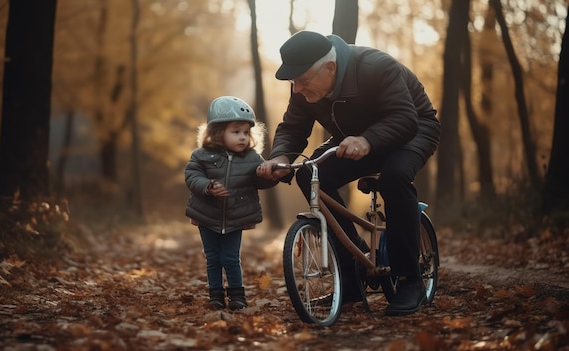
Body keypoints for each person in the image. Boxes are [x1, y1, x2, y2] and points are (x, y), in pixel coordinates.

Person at [257, 31, 441, 316]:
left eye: (303, 81)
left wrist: (367, 140)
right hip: (353, 138)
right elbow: (293, 128)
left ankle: (410, 281)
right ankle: (352, 271)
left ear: (329, 68)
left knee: (394, 177)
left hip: (412, 131)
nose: (297, 89)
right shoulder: (306, 87)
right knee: (310, 174)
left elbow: (405, 118)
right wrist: (280, 156)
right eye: (294, 82)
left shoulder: (376, 67)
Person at [185, 96, 277, 311]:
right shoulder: (201, 156)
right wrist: (208, 186)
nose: (243, 137)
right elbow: (191, 176)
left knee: (231, 257)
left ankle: (237, 296)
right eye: (236, 132)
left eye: (246, 132)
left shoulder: (253, 158)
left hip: (234, 218)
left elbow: (260, 181)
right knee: (213, 258)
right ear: (217, 132)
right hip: (207, 215)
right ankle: (215, 295)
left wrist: (269, 175)